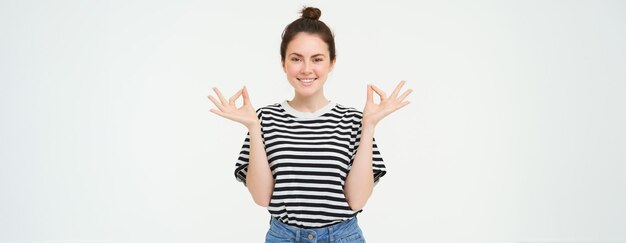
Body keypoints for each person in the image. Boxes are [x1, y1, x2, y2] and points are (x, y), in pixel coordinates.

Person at [208, 6, 412, 243]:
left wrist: (369, 126)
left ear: (331, 63)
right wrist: (254, 128)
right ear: (283, 63)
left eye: (317, 59)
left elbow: (356, 201)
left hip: (342, 236)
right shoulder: (263, 118)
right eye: (296, 59)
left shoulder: (354, 120)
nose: (306, 69)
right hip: (283, 236)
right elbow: (262, 198)